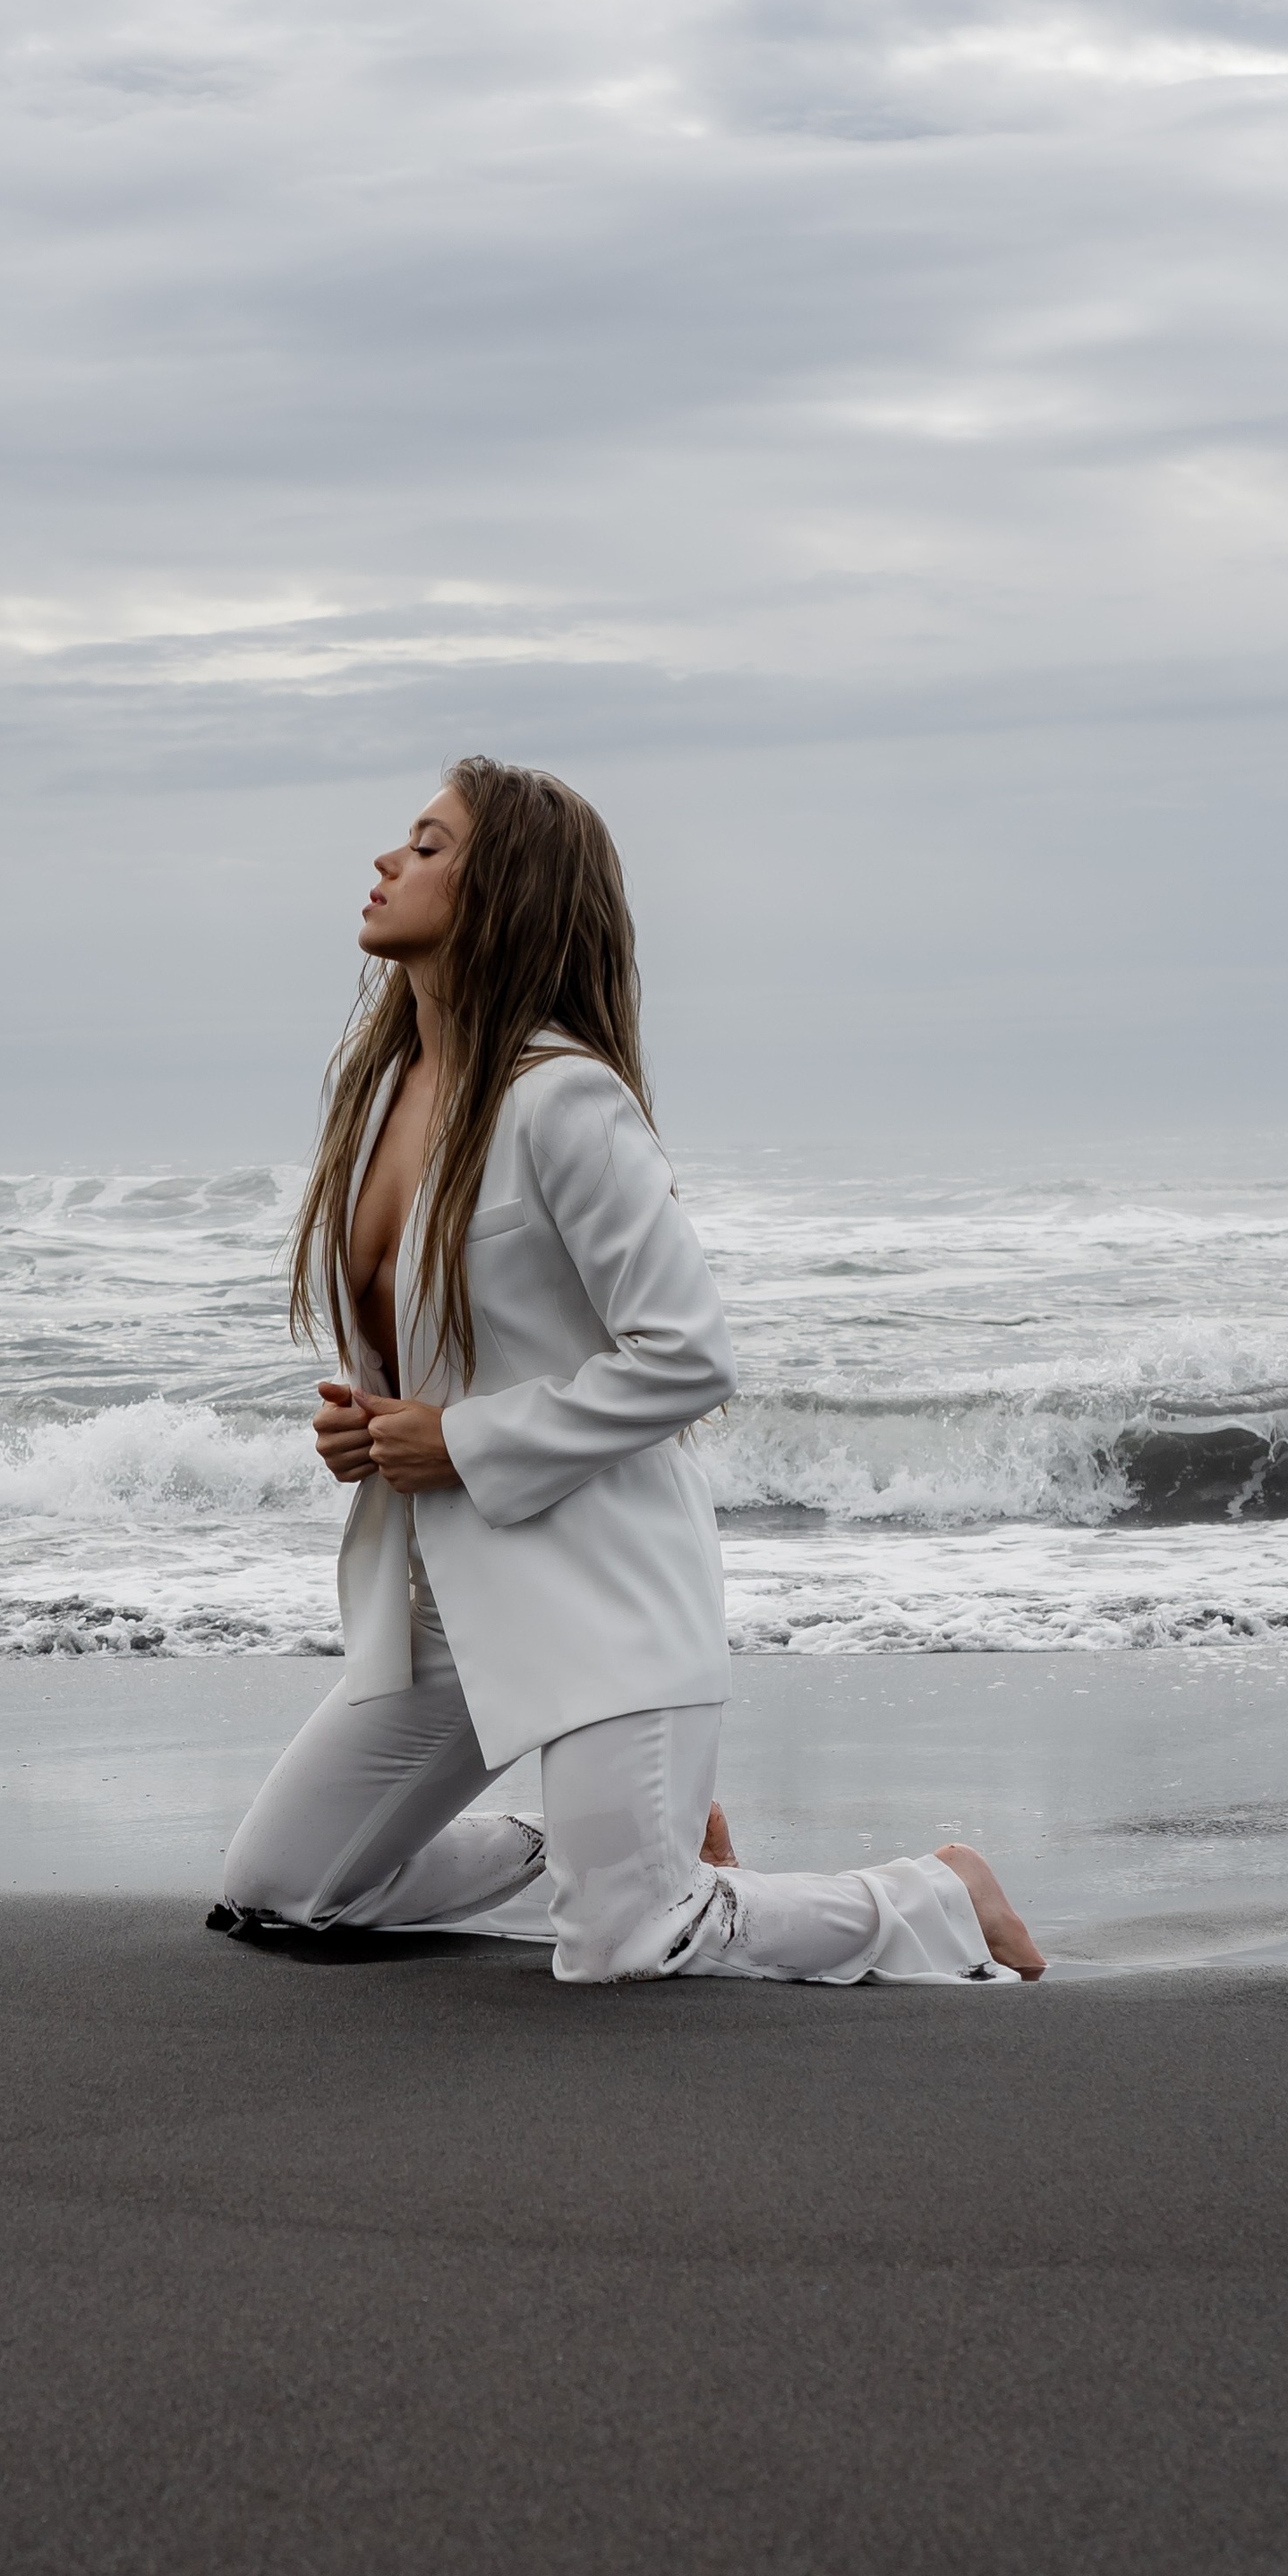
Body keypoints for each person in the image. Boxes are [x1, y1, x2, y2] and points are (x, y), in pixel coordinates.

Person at [219, 757, 1045, 1986]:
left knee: (624, 1948)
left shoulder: (562, 1099)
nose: (390, 862)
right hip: (444, 1597)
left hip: (601, 1590)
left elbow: (689, 1352)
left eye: (430, 846)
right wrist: (377, 1431)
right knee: (279, 1893)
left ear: (506, 892)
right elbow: (437, 1349)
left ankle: (934, 1894)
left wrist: (461, 1441)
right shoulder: (380, 1091)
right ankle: (603, 1840)